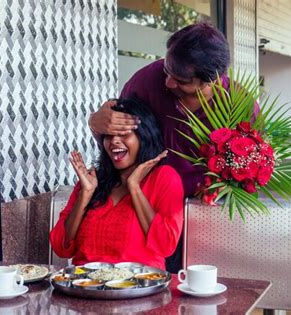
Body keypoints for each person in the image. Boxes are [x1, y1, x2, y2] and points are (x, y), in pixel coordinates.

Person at [89, 22, 259, 272]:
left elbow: (250, 174)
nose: (168, 82)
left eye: (180, 80)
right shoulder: (145, 82)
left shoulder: (240, 105)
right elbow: (119, 142)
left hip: (206, 217)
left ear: (211, 79)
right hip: (148, 210)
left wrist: (218, 191)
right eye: (166, 70)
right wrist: (96, 123)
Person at [50, 98, 184, 270]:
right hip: (86, 286)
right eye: (109, 135)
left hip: (139, 289)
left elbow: (165, 246)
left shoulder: (164, 178)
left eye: (123, 133)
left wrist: (134, 187)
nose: (114, 141)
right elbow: (61, 247)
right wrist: (85, 194)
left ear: (144, 136)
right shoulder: (92, 181)